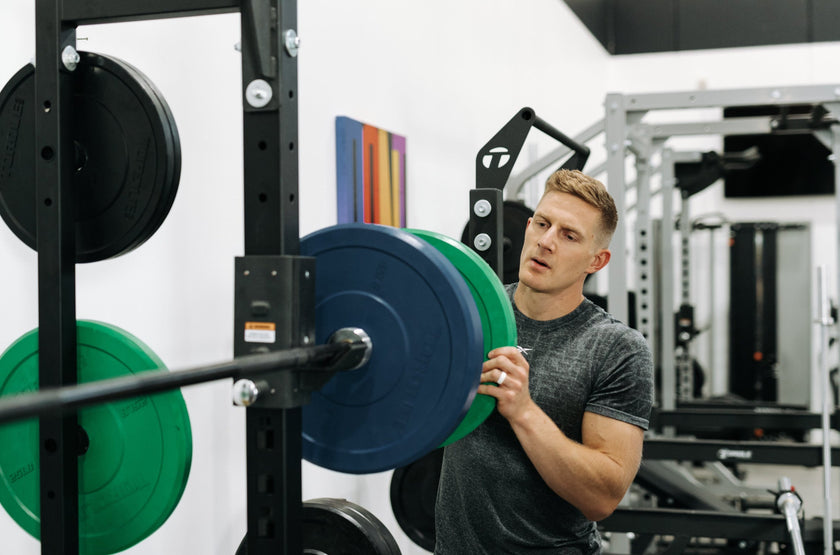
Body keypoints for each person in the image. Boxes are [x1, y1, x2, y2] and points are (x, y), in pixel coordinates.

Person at [435, 169, 654, 554]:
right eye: (541, 223)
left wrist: (523, 411)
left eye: (568, 235)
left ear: (596, 261)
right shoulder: (473, 313)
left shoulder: (618, 349)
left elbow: (602, 497)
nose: (546, 241)